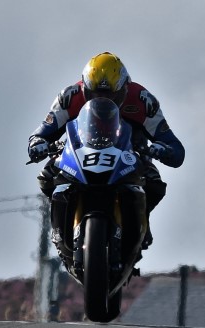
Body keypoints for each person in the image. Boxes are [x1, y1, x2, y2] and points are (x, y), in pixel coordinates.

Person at [27, 51, 184, 249]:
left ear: (124, 88)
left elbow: (175, 147)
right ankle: (60, 228)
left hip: (128, 154)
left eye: (110, 94)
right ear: (85, 87)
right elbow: (41, 133)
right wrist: (37, 144)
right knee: (46, 176)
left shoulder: (143, 101)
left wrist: (164, 150)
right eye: (94, 94)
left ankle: (142, 221)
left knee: (154, 182)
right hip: (79, 153)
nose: (102, 99)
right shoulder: (69, 98)